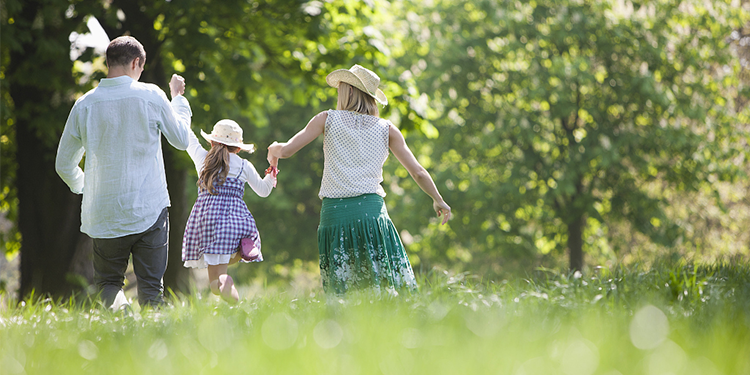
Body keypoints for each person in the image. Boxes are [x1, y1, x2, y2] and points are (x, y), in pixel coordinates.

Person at [267, 64, 451, 294]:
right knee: (382, 286)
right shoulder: (387, 129)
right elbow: (418, 172)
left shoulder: (326, 119)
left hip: (335, 213)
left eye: (341, 88)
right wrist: (437, 199)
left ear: (350, 91)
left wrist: (273, 149)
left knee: (344, 291)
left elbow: (286, 151)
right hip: (372, 214)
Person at [55, 36, 192, 309]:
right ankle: (154, 346)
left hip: (104, 212)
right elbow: (181, 139)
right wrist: (178, 99)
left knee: (108, 285)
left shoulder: (84, 104)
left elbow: (63, 165)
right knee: (153, 288)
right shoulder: (151, 95)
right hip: (148, 208)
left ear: (108, 63)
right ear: (136, 62)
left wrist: (86, 186)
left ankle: (119, 329)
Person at [182, 119, 277, 303]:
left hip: (207, 222)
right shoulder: (244, 165)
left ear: (211, 142)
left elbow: (188, 137)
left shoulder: (203, 160)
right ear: (238, 148)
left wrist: (178, 101)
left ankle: (224, 282)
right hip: (235, 222)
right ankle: (242, 250)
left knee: (214, 284)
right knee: (226, 256)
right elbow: (264, 191)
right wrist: (272, 170)